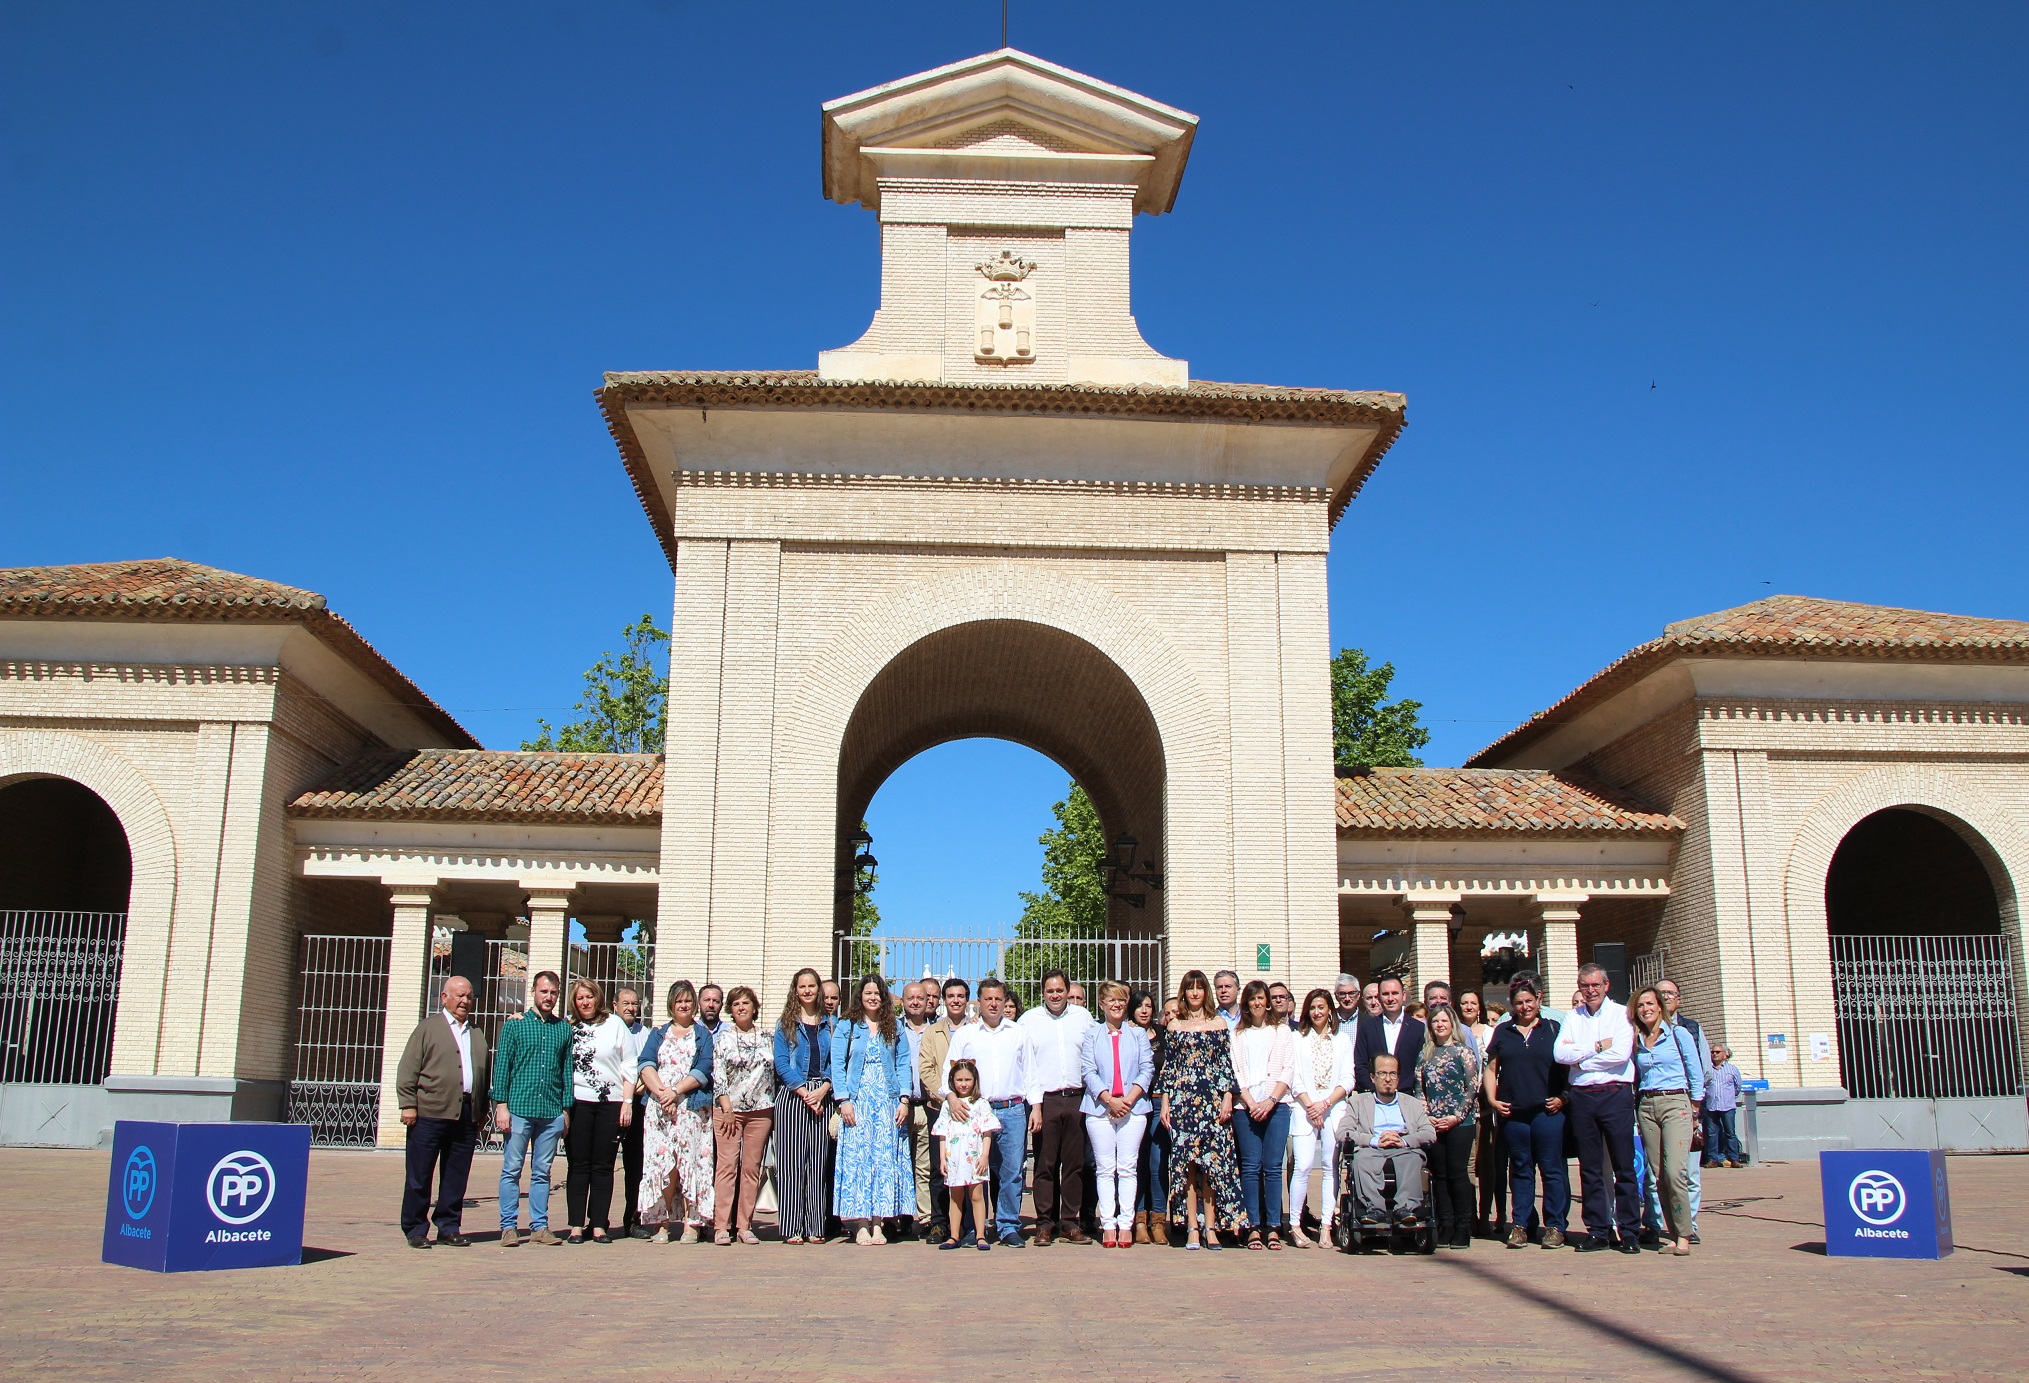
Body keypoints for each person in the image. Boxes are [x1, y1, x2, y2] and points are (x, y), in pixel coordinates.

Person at [395, 975, 490, 1248]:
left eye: (468, 996)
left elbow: (483, 1075)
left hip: (465, 1116)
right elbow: (408, 1069)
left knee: (456, 1175)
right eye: (459, 995)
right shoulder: (428, 1029)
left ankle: (449, 1226)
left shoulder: (476, 1034)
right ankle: (415, 1228)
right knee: (419, 1175)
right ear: (444, 997)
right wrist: (408, 1104)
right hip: (428, 1114)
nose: (464, 1001)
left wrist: (481, 1111)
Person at [940, 977, 1035, 1248]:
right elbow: (949, 1071)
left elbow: (1030, 1073)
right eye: (988, 999)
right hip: (973, 1113)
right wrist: (951, 1098)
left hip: (1011, 1109)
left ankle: (1007, 1226)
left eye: (998, 999)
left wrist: (1035, 1107)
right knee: (973, 1172)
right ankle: (974, 1228)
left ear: (1005, 1002)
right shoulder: (966, 1035)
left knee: (1012, 1171)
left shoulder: (1018, 1032)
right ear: (978, 1003)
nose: (993, 1004)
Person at [1555, 962, 1641, 1254]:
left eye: (1595, 985)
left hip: (1615, 1093)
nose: (1590, 991)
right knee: (1590, 1168)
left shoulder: (1621, 1015)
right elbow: (1559, 1053)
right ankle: (1598, 1230)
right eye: (1585, 985)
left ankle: (1629, 1230)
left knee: (1624, 1167)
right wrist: (1595, 1048)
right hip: (1582, 1096)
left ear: (1606, 986)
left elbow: (1620, 1053)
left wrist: (1579, 1058)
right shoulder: (1572, 1017)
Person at [1482, 975, 1569, 1249]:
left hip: (1547, 1113)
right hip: (1514, 1114)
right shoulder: (1503, 1031)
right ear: (1512, 1004)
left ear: (1539, 999)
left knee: (1552, 1170)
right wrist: (1493, 1100)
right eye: (1519, 1003)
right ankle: (1521, 1225)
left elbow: (1569, 1069)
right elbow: (1491, 1068)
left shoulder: (1554, 1029)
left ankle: (1555, 1226)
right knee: (1520, 1170)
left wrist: (1564, 1098)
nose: (1525, 1007)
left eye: (1529, 1001)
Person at [1157, 969, 1241, 1250]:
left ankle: (1212, 1226)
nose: (1195, 993)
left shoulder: (1218, 1023)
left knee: (1213, 1166)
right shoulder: (1174, 1025)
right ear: (1184, 992)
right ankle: (1192, 1225)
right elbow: (1170, 1068)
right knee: (1188, 1167)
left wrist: (1228, 1096)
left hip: (1212, 1102)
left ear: (1206, 992)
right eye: (1190, 988)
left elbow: (1224, 1065)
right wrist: (1166, 1104)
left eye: (1200, 988)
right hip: (1183, 1102)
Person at [831, 974, 917, 1244]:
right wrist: (843, 1100)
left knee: (884, 1160)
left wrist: (904, 1099)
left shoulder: (895, 1027)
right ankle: (860, 1224)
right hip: (857, 1102)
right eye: (868, 993)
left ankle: (880, 1221)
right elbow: (837, 1064)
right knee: (858, 1161)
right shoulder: (847, 1025)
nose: (873, 997)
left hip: (887, 1101)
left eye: (877, 993)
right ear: (860, 996)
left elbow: (904, 1063)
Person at [491, 970, 573, 1247]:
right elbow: (503, 1067)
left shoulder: (563, 1029)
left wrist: (565, 1110)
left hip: (550, 1111)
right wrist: (501, 1105)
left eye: (553, 993)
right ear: (534, 993)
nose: (548, 997)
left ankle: (539, 1226)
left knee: (542, 1171)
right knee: (512, 1168)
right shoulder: (515, 1026)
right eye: (544, 992)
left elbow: (566, 1072)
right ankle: (508, 1226)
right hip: (519, 1108)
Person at [635, 979, 714, 1244]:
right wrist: (661, 1093)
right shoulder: (658, 1033)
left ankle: (692, 1222)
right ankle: (663, 1222)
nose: (684, 1004)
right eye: (679, 1000)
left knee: (689, 1164)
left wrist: (676, 1091)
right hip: (660, 1110)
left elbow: (703, 1069)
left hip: (690, 1109)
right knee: (663, 1165)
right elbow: (645, 1062)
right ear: (671, 1004)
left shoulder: (703, 1035)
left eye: (688, 1000)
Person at [1020, 969, 1095, 1245]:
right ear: (1042, 993)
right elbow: (1027, 1066)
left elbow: (1092, 1056)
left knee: (1074, 1165)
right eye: (1050, 991)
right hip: (1046, 1100)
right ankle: (1044, 1224)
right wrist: (1035, 1105)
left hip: (1077, 1097)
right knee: (1045, 1164)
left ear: (1067, 990)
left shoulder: (1082, 1018)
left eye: (1060, 990)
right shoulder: (1029, 1020)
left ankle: (1070, 1223)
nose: (1055, 995)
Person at [562, 978, 636, 1244]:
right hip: (578, 1103)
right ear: (575, 1001)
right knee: (579, 1165)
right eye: (580, 998)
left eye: (589, 997)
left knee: (604, 1166)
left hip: (610, 1104)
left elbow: (630, 1063)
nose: (585, 1002)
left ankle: (598, 1225)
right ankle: (575, 1225)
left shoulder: (614, 1024)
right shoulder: (568, 1027)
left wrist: (627, 1103)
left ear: (598, 998)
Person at [1079, 980, 1153, 1248]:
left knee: (1128, 1168)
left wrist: (1128, 1100)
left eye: (1122, 999)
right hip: (1100, 1110)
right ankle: (1108, 1224)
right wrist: (1110, 1100)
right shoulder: (1092, 1035)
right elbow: (1088, 1071)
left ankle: (1126, 1223)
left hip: (1133, 1110)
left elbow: (1147, 1069)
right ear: (1101, 1004)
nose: (1117, 1004)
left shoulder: (1138, 1035)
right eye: (1111, 1000)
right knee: (1105, 1168)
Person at [1630, 985, 1703, 1256]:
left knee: (1675, 1172)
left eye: (1650, 1003)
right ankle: (1672, 1234)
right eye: (1640, 1005)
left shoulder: (1678, 1034)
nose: (1646, 1009)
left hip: (1676, 1102)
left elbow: (1694, 1070)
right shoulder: (1637, 1039)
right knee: (1658, 1174)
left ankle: (1685, 1233)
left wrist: (1695, 1107)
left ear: (1660, 1006)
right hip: (1647, 1105)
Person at [771, 966, 835, 1245]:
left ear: (819, 989)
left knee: (818, 1164)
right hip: (794, 1096)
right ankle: (792, 1226)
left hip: (822, 1095)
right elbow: (781, 1061)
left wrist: (823, 1089)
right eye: (802, 987)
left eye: (812, 986)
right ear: (795, 991)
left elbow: (837, 1063)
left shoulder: (831, 1024)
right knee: (792, 1164)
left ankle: (815, 1225)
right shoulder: (785, 1024)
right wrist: (802, 1090)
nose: (807, 991)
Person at [1229, 980, 1294, 1249]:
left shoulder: (1282, 1032)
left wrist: (1270, 1100)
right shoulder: (1237, 1034)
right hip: (1246, 1108)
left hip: (1276, 1106)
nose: (1257, 1003)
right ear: (1246, 1004)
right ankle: (1253, 1225)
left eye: (1261, 999)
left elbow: (1288, 1069)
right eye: (1252, 999)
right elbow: (1234, 1072)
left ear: (1268, 1002)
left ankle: (1274, 1226)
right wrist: (1251, 1101)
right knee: (1251, 1167)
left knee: (1272, 1167)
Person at [1286, 987, 1352, 1248]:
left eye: (1321, 1007)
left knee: (1330, 1166)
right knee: (1301, 1166)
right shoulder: (1297, 1038)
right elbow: (1294, 1076)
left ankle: (1327, 1224)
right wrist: (1310, 1105)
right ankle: (1294, 1225)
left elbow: (1347, 1078)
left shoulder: (1341, 1040)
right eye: (1312, 1008)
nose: (1317, 1012)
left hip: (1333, 1107)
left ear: (1330, 1010)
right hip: (1304, 1108)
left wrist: (1326, 1103)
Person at [709, 984, 774, 1244]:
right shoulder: (723, 1038)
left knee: (751, 1168)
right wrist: (725, 1108)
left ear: (754, 1007)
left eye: (745, 1003)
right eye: (736, 1004)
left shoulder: (768, 1037)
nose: (741, 1008)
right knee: (726, 1167)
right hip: (729, 1111)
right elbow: (718, 1075)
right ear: (731, 1010)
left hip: (760, 1111)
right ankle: (721, 1226)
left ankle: (744, 1225)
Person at [1343, 1053, 1436, 1227]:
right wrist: (1375, 1140)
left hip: (1404, 1149)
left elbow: (1430, 1133)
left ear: (1398, 1078)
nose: (1388, 1079)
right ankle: (1374, 1209)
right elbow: (1344, 1132)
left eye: (1392, 1074)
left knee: (1413, 1158)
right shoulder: (1357, 1102)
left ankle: (1405, 1208)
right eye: (1382, 1073)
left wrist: (1405, 1141)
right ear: (1373, 1077)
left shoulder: (1412, 1103)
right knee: (1361, 1159)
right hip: (1372, 1149)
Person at [1416, 1002, 1481, 1249]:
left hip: (1459, 1121)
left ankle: (1463, 1227)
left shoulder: (1463, 1052)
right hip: (1434, 1121)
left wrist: (1456, 1116)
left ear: (1451, 1024)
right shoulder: (1425, 1054)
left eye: (1444, 1021)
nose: (1440, 1025)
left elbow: (1471, 1087)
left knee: (1457, 1172)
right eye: (1435, 1022)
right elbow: (1419, 1088)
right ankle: (1446, 1224)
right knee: (1439, 1175)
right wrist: (1427, 1116)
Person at [1654, 978, 1714, 1242]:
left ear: (1679, 999)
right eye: (1661, 993)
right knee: (1657, 1173)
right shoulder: (1643, 1029)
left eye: (1671, 993)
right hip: (1653, 1107)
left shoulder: (1691, 1028)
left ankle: (1689, 1226)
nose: (1666, 997)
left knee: (1687, 1171)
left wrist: (1694, 1104)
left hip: (1686, 1106)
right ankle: (1656, 1224)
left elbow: (1704, 1070)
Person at [917, 977, 970, 1244]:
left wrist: (966, 1099)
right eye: (950, 996)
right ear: (943, 1000)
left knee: (969, 1168)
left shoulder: (976, 1030)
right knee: (941, 1168)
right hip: (938, 1107)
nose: (955, 1000)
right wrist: (947, 1095)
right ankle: (939, 1223)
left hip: (968, 1110)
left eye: (960, 996)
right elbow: (926, 1069)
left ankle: (969, 1225)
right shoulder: (932, 1032)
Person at [933, 1059, 998, 1251]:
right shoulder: (947, 1106)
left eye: (967, 1080)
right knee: (955, 1196)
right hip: (954, 1158)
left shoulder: (981, 1104)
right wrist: (943, 1158)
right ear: (952, 1081)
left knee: (977, 1196)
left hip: (975, 1157)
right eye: (959, 1079)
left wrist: (985, 1156)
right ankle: (954, 1235)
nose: (963, 1084)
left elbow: (987, 1132)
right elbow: (942, 1133)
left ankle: (980, 1234)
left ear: (975, 1080)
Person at [1458, 988, 1505, 1237]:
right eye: (1464, 1002)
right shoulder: (1455, 1033)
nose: (1468, 1007)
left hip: (1485, 1106)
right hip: (1462, 1107)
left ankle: (1486, 1214)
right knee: (1468, 1162)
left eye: (1473, 1003)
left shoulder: (1490, 1032)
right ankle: (1469, 1215)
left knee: (1485, 1162)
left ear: (1480, 1007)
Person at [1128, 987, 1168, 1245]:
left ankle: (1159, 1220)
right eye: (1140, 1006)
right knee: (1137, 1164)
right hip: (1135, 1104)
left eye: (1149, 1006)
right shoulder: (1127, 1034)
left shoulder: (1163, 1034)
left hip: (1158, 1103)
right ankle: (1139, 1220)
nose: (1145, 1010)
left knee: (1157, 1163)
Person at [615, 987, 650, 1238]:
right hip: (609, 1105)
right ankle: (596, 1220)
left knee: (635, 1167)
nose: (631, 1008)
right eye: (625, 1003)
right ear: (614, 1004)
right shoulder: (605, 1028)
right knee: (602, 1165)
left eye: (635, 1004)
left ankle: (632, 1219)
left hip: (637, 1106)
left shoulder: (645, 1033)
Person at [1353, 976, 1427, 1094]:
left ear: (1403, 995)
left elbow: (1421, 1066)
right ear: (1379, 997)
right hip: (1374, 1097)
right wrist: (1374, 1090)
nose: (1390, 998)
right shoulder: (1367, 1027)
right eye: (1386, 994)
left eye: (1395, 993)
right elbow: (1360, 1064)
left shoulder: (1418, 1028)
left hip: (1407, 1097)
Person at [1704, 1044, 1745, 1167]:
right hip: (1711, 1106)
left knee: (1730, 1133)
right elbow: (1703, 1085)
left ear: (1725, 1054)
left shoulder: (1732, 1070)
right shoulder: (1708, 1069)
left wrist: (1729, 1097)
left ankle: (1734, 1159)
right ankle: (1713, 1159)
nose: (1714, 1054)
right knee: (1712, 1134)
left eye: (1717, 1052)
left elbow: (1737, 1087)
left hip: (1727, 1106)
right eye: (1712, 1052)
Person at [1423, 981, 1479, 1055]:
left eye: (1443, 998)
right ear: (1425, 1002)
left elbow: (1475, 1062)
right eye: (1433, 998)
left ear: (1450, 1002)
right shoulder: (1419, 1028)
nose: (1439, 1001)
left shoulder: (1464, 1031)